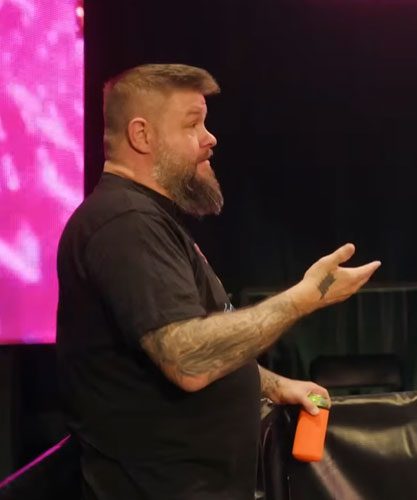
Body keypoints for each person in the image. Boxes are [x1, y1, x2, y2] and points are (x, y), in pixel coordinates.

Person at [56, 63, 381, 500]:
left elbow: (187, 348)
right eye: (193, 124)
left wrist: (273, 385)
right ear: (142, 135)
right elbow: (187, 361)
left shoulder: (145, 219)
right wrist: (304, 298)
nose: (210, 138)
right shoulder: (126, 223)